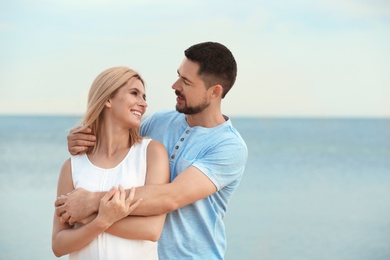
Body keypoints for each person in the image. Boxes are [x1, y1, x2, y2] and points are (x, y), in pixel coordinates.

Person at [56, 42, 248, 259]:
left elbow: (170, 197)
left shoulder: (228, 146)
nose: (175, 85)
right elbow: (120, 146)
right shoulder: (159, 122)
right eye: (178, 76)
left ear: (214, 92)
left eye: (186, 81)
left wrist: (91, 204)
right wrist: (85, 138)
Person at [52, 66, 170, 259]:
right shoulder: (72, 166)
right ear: (107, 99)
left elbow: (151, 230)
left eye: (144, 97)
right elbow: (58, 245)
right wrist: (100, 222)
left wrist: (88, 216)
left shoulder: (151, 153)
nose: (143, 104)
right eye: (134, 93)